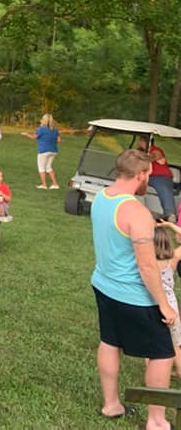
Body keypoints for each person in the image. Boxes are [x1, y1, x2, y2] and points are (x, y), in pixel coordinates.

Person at [91, 148, 176, 424]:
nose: (148, 180)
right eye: (148, 175)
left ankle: (111, 405)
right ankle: (157, 421)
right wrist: (164, 304)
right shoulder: (137, 213)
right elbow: (147, 266)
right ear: (139, 175)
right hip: (135, 296)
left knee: (110, 341)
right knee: (162, 354)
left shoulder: (101, 197)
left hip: (103, 285)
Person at [153, 220, 181, 379]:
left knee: (151, 344)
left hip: (152, 303)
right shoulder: (174, 258)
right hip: (171, 306)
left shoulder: (146, 263)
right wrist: (170, 226)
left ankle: (152, 375)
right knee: (175, 343)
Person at [140, 136, 176, 222]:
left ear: (146, 142)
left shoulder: (155, 150)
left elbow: (154, 156)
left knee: (163, 187)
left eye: (140, 140)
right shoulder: (140, 151)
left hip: (160, 176)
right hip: (147, 176)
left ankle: (170, 214)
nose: (139, 143)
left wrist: (144, 157)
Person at [22, 113, 61, 189]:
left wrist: (26, 134)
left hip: (44, 151)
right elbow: (59, 140)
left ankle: (44, 185)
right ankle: (55, 184)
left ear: (44, 120)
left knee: (41, 168)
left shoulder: (41, 129)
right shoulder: (55, 129)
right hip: (53, 151)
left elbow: (34, 137)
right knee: (49, 167)